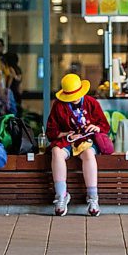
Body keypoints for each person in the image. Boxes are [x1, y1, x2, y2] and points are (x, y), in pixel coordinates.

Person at [46, 73, 110, 217]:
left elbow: (104, 126)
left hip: (87, 141)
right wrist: (67, 135)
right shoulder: (58, 106)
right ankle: (61, 195)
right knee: (56, 152)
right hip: (67, 141)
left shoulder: (91, 102)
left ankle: (93, 197)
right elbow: (51, 131)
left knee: (88, 153)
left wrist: (96, 128)